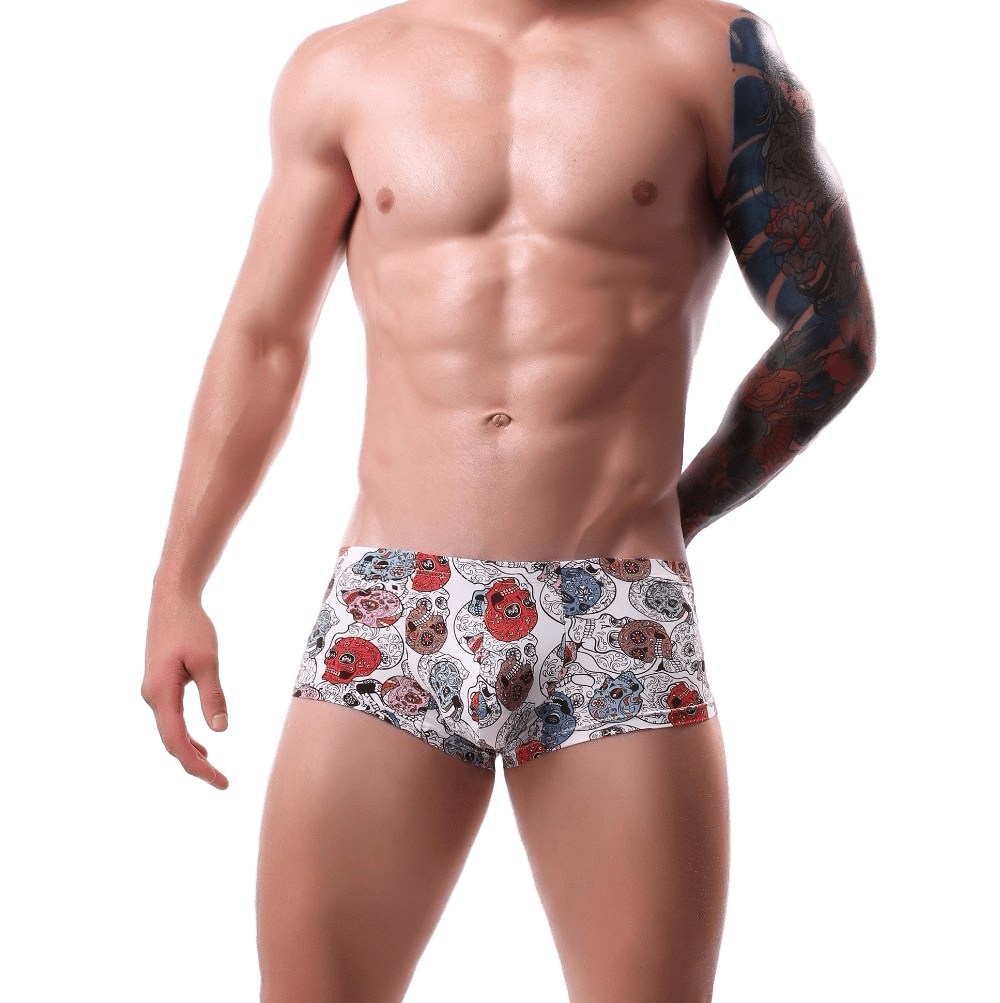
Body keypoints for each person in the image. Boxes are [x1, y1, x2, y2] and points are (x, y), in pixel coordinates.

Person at [141, 0, 877, 999]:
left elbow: (835, 330)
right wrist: (178, 582)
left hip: (615, 609)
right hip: (394, 604)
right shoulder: (342, 68)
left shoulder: (708, 54)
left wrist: (681, 509)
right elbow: (264, 337)